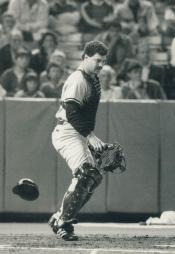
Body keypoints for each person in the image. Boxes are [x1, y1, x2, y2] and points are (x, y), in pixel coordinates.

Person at [48, 40, 109, 241]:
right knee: (85, 174)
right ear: (84, 58)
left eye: (103, 61)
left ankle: (59, 217)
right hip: (67, 131)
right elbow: (72, 113)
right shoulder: (78, 79)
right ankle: (64, 223)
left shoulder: (92, 78)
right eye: (97, 60)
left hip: (77, 132)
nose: (100, 64)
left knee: (94, 178)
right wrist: (91, 137)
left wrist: (89, 138)